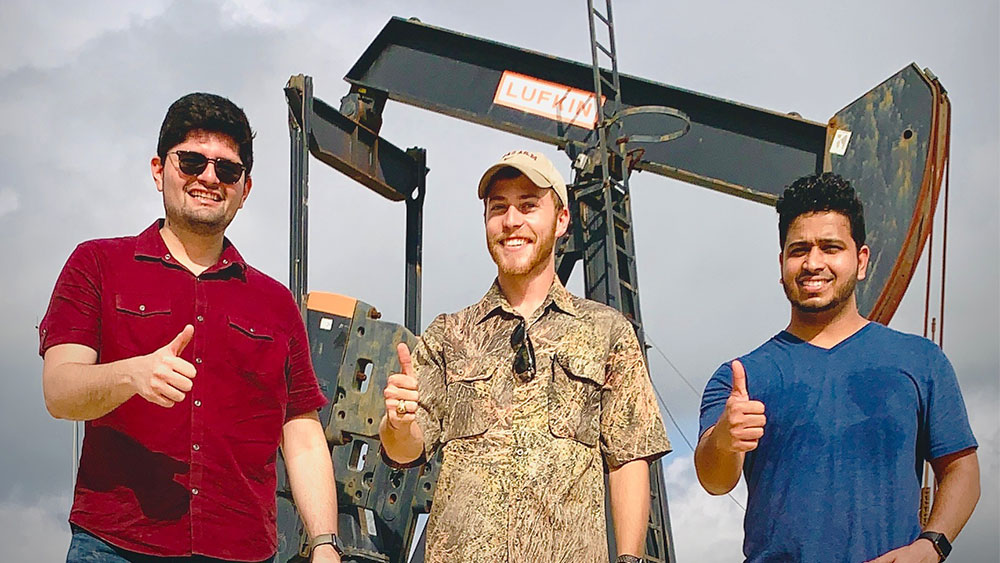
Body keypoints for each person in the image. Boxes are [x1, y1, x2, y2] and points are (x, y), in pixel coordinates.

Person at [40, 93, 342, 563]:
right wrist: (132, 375)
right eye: (192, 161)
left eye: (228, 169)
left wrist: (325, 543)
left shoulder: (277, 303)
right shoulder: (97, 263)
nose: (209, 178)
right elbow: (59, 391)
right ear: (159, 169)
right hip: (115, 546)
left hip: (242, 551)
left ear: (245, 188)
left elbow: (301, 433)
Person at [378, 150, 670, 563]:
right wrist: (398, 423)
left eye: (529, 205)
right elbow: (404, 451)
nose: (511, 221)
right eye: (498, 208)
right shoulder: (449, 334)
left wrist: (629, 559)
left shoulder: (606, 332)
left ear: (562, 220)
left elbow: (629, 456)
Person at [694, 172, 980, 563]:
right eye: (798, 251)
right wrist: (725, 439)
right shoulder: (740, 377)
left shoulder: (922, 361)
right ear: (781, 263)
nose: (813, 263)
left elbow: (962, 469)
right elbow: (713, 480)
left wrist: (931, 546)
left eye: (830, 248)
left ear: (861, 261)